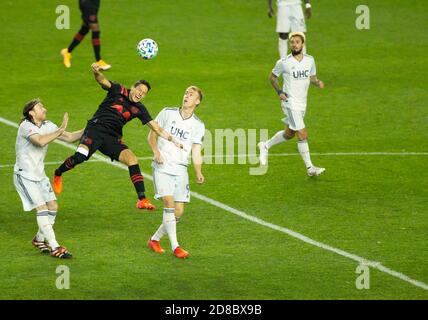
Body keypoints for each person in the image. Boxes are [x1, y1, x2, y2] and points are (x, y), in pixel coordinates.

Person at [53, 63, 184, 210]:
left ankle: (142, 199)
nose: (140, 93)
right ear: (133, 87)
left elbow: (156, 128)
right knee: (80, 157)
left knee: (132, 159)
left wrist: (173, 140)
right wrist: (96, 72)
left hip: (112, 137)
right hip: (95, 129)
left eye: (144, 93)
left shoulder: (140, 109)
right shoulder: (118, 90)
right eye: (139, 89)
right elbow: (103, 81)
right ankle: (58, 172)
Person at [14, 99, 84, 258]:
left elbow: (71, 137)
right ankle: (55, 246)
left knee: (52, 206)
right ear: (31, 112)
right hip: (24, 175)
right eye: (40, 107)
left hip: (39, 175)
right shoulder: (26, 126)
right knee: (42, 209)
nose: (44, 109)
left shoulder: (48, 125)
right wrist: (59, 130)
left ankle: (39, 239)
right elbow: (40, 141)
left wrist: (93, 127)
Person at [147, 86, 205, 259]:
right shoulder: (167, 112)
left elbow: (196, 150)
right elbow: (151, 135)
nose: (187, 95)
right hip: (163, 166)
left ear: (197, 101)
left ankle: (154, 240)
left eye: (191, 94)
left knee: (178, 211)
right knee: (169, 202)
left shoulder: (198, 125)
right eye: (186, 92)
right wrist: (156, 152)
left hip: (181, 169)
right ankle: (175, 246)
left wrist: (198, 172)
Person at [259, 32, 325, 176]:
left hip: (302, 103)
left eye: (297, 42)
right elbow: (272, 77)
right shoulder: (284, 62)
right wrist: (279, 91)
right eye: (292, 42)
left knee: (289, 134)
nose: (294, 44)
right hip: (290, 102)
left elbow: (312, 78)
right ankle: (310, 168)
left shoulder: (310, 60)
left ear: (303, 44)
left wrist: (317, 82)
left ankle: (265, 145)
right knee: (302, 132)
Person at [60, 0, 111, 70]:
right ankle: (99, 61)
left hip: (94, 3)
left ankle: (67, 51)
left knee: (85, 29)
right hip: (87, 4)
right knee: (95, 30)